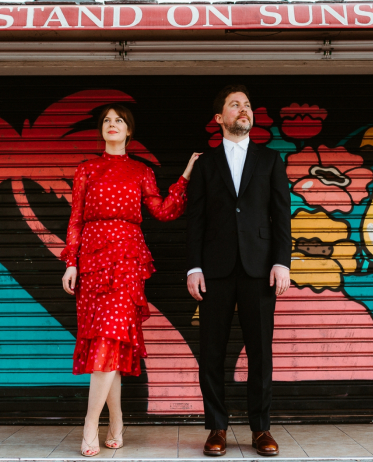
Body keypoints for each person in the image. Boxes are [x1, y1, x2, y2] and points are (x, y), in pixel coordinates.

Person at [61, 104, 201, 457]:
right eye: (107, 121)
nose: (112, 125)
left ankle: (90, 423)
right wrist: (70, 263)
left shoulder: (141, 170)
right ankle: (118, 419)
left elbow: (164, 211)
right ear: (102, 130)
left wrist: (186, 174)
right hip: (92, 261)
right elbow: (76, 219)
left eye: (118, 120)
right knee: (105, 343)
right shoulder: (86, 170)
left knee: (110, 337)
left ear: (129, 131)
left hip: (126, 259)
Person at [185, 85, 291, 457]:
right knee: (211, 352)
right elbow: (194, 219)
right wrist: (193, 267)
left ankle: (260, 429)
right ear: (220, 119)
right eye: (235, 105)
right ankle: (216, 426)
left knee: (261, 352)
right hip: (213, 270)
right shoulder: (204, 164)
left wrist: (282, 262)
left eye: (247, 105)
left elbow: (281, 216)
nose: (243, 110)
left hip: (260, 268)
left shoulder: (271, 161)